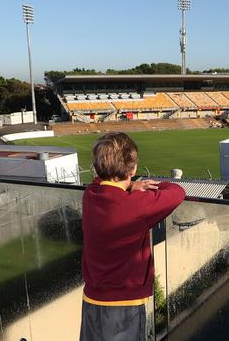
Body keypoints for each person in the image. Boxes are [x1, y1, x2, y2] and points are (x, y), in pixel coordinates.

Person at [80, 132, 185, 341]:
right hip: (124, 306)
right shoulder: (136, 205)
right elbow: (177, 191)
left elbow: (98, 184)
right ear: (133, 169)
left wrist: (129, 185)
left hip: (91, 299)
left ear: (97, 168)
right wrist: (140, 187)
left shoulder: (90, 195)